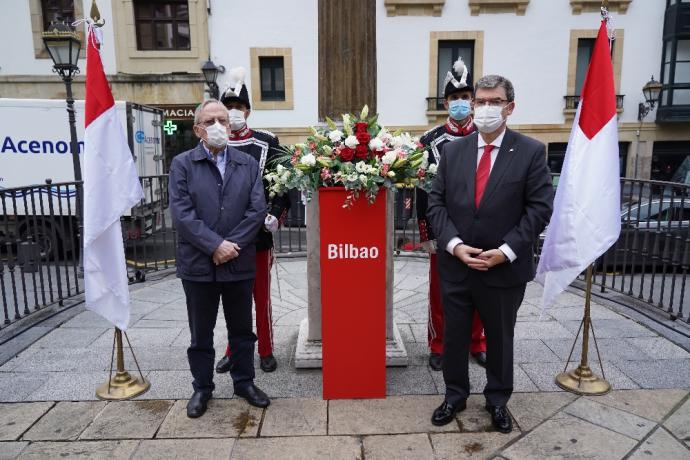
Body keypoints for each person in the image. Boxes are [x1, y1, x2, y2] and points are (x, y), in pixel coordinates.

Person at [427, 75, 552, 432]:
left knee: (499, 339)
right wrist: (453, 244)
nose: (484, 108)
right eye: (480, 101)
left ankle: (497, 400)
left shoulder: (530, 152)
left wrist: (507, 251)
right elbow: (436, 204)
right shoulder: (453, 151)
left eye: (493, 101)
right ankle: (454, 395)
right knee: (454, 337)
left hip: (502, 270)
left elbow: (539, 209)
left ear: (509, 107)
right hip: (458, 264)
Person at [169, 99, 270, 418]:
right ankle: (202, 387)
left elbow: (257, 210)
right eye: (211, 121)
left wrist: (230, 246)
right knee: (201, 332)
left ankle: (244, 382)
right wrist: (214, 246)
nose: (219, 127)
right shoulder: (183, 164)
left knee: (242, 328)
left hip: (238, 262)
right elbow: (182, 214)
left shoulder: (247, 162)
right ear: (198, 128)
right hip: (199, 265)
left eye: (224, 121)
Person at [214, 67, 291, 374]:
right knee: (234, 300)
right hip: (224, 238)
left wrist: (276, 214)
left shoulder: (267, 142)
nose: (233, 112)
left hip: (257, 236)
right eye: (228, 108)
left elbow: (283, 183)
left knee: (261, 297)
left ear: (247, 111)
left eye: (238, 107)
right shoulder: (212, 144)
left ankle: (266, 349)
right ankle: (234, 349)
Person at [417, 58, 487, 371]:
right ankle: (439, 344)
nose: (460, 103)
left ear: (473, 101)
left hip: (482, 228)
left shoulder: (487, 135)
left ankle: (476, 342)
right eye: (454, 98)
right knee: (441, 293)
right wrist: (427, 233)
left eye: (465, 97)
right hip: (444, 229)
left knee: (479, 291)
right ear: (446, 103)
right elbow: (422, 190)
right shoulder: (430, 141)